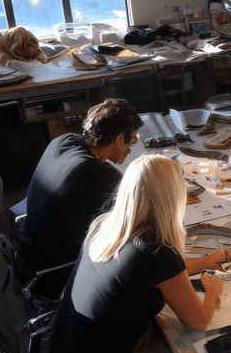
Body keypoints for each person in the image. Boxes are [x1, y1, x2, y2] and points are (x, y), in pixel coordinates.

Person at [46, 153, 231, 353]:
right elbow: (198, 321)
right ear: (172, 198)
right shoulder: (158, 255)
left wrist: (203, 262)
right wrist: (212, 292)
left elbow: (153, 272)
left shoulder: (105, 225)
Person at [20, 98, 141, 297]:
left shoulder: (64, 140)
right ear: (119, 139)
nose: (131, 149)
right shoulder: (97, 175)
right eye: (132, 140)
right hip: (57, 274)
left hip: (30, 251)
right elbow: (135, 220)